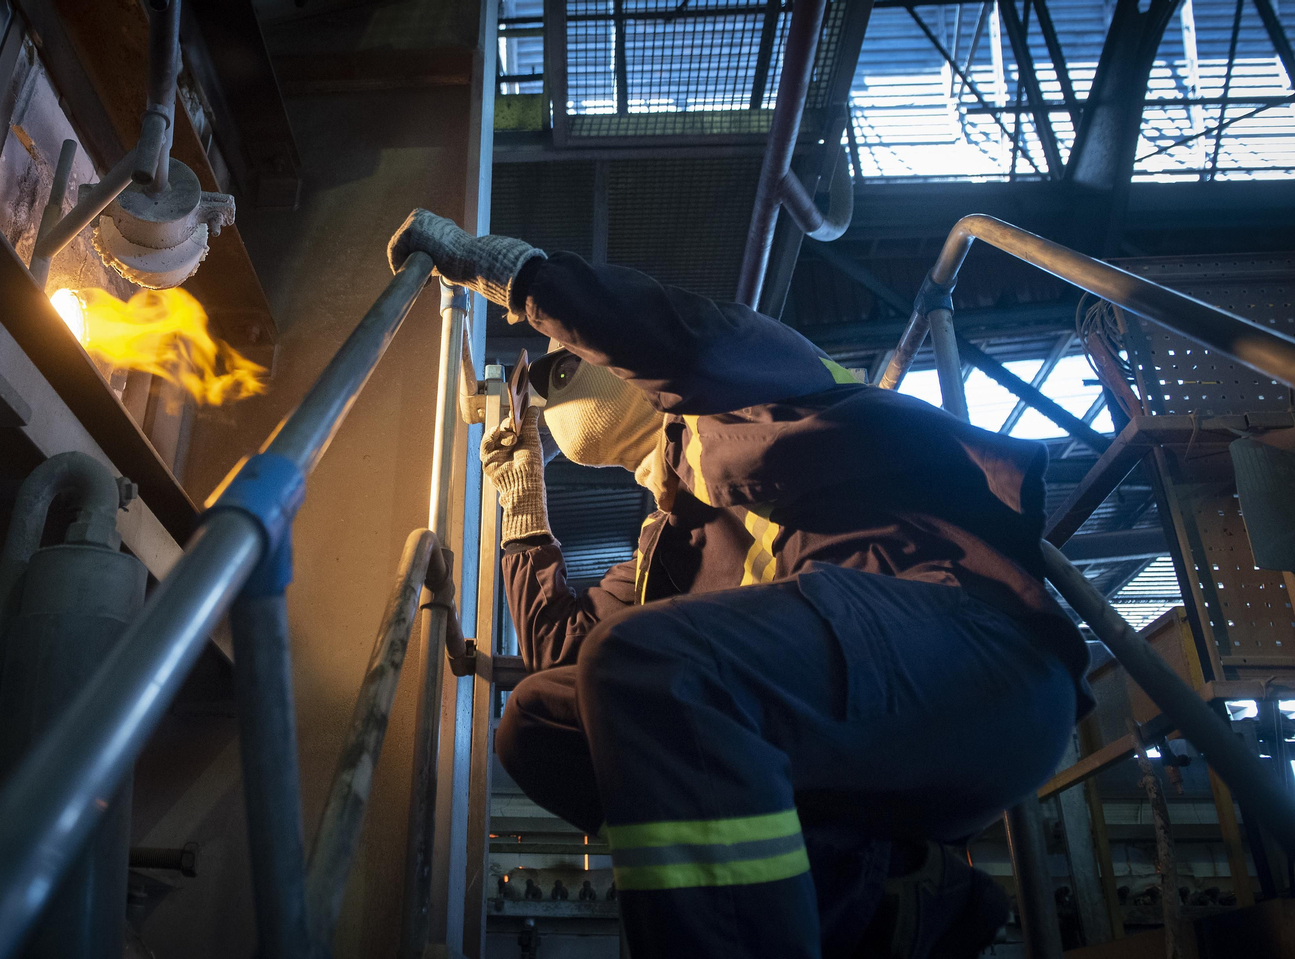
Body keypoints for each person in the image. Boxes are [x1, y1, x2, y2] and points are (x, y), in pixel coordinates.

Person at [388, 210, 1092, 959]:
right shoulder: (669, 548)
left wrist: (517, 275)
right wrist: (523, 505)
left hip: (975, 664)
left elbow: (685, 340)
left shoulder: (764, 389)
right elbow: (565, 652)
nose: (554, 378)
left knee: (653, 664)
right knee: (537, 722)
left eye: (562, 362)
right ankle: (883, 891)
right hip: (862, 754)